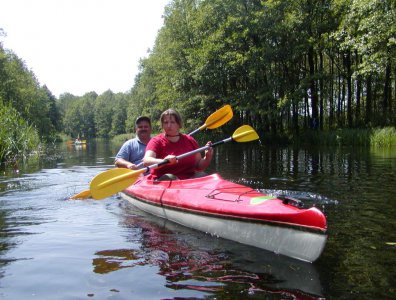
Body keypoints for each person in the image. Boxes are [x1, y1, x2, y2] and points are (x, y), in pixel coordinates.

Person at [143, 109, 213, 180]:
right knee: (170, 177)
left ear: (179, 124)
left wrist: (207, 157)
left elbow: (199, 166)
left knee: (203, 175)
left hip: (188, 182)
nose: (169, 125)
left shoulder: (190, 140)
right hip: (166, 181)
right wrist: (164, 161)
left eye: (172, 122)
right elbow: (146, 161)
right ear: (162, 125)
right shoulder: (156, 141)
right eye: (166, 122)